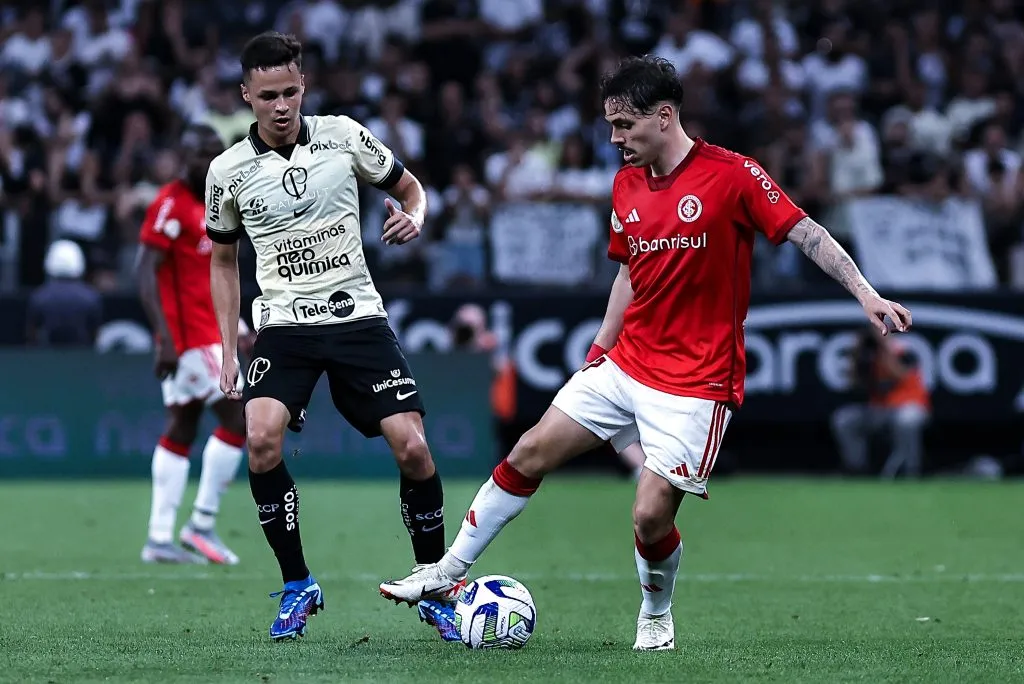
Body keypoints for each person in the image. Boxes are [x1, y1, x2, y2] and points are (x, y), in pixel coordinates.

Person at [379, 56, 913, 651]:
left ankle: (656, 611)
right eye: (610, 125)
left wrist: (865, 292)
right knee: (529, 449)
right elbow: (630, 272)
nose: (614, 139)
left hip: (698, 381)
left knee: (649, 516)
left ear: (664, 116)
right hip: (627, 361)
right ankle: (448, 573)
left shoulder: (733, 175)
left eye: (624, 125)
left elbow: (805, 230)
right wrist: (600, 348)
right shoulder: (625, 183)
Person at [206, 32, 455, 642]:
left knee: (414, 449)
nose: (282, 105)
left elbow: (411, 188)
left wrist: (413, 217)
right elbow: (220, 261)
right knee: (260, 440)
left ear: (304, 87)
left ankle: (434, 581)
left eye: (291, 91)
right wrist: (225, 347)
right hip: (285, 327)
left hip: (357, 320)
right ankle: (297, 584)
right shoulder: (226, 171)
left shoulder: (344, 136)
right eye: (268, 96)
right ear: (247, 97)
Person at [136, 124, 251, 565]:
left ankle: (159, 538)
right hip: (189, 339)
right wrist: (163, 338)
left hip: (209, 332)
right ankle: (200, 524)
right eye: (191, 153)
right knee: (240, 419)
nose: (197, 162)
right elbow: (145, 273)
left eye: (207, 153)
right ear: (180, 156)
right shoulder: (170, 203)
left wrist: (236, 325)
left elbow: (215, 276)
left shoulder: (217, 202)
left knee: (181, 427)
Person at [831, 326, 930, 478]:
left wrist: (884, 347)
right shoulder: (868, 356)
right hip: (881, 410)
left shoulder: (904, 350)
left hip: (910, 406)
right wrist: (857, 353)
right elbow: (853, 382)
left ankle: (910, 471)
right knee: (845, 419)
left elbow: (899, 375)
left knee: (906, 420)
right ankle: (856, 469)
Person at [25, 240, 101, 347]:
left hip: (46, 360)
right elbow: (95, 336)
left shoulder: (39, 297)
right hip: (81, 360)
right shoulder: (91, 297)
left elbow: (32, 336)